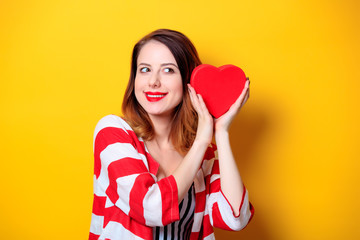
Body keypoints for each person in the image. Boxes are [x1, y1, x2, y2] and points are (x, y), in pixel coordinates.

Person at [89, 29, 254, 240]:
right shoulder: (113, 132)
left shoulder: (201, 152)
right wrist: (203, 140)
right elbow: (151, 209)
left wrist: (220, 132)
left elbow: (235, 218)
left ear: (189, 81)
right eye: (145, 69)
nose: (153, 82)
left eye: (168, 70)